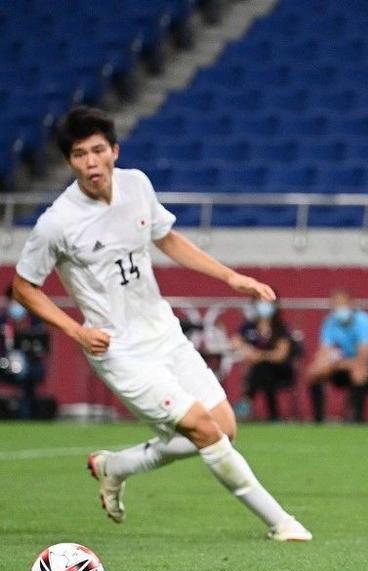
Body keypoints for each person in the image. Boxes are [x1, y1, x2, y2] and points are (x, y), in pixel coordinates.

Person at [12, 106, 311, 541]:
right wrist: (76, 330)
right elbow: (24, 287)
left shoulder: (136, 185)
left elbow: (166, 236)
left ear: (114, 150)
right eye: (80, 154)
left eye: (98, 150)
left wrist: (230, 276)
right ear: (69, 162)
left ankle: (116, 466)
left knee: (225, 427)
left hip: (164, 333)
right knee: (204, 430)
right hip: (119, 350)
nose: (91, 162)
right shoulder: (57, 223)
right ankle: (279, 522)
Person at [306, 289, 368, 423]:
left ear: (351, 304)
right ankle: (319, 420)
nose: (339, 308)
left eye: (342, 304)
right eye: (335, 305)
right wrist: (322, 364)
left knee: (359, 373)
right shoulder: (330, 322)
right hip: (343, 367)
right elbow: (323, 352)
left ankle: (356, 420)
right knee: (314, 372)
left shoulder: (364, 322)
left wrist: (337, 364)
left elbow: (363, 359)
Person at [231, 296, 295, 422]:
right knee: (261, 370)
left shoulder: (280, 328)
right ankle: (273, 415)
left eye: (267, 302)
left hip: (280, 370)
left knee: (263, 367)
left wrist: (259, 355)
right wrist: (247, 349)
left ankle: (246, 400)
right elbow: (234, 342)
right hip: (259, 372)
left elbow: (281, 355)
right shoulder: (250, 326)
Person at [1, 284, 50, 419]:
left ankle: (26, 416)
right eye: (13, 299)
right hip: (4, 363)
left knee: (29, 377)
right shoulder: (3, 321)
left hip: (29, 364)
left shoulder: (33, 320)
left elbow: (42, 346)